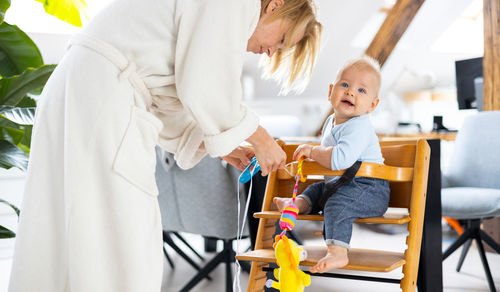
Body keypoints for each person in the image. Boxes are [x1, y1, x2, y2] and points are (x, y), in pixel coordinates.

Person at [8, 0, 321, 291]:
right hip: (102, 97)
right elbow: (204, 84)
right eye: (281, 41)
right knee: (120, 238)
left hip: (80, 87)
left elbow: (176, 88)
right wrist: (260, 137)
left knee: (64, 231)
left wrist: (220, 144)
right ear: (276, 5)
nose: (272, 52)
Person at [274, 56, 390, 273]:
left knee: (337, 204)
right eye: (344, 84)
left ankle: (338, 252)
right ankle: (296, 205)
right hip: (341, 184)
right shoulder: (330, 122)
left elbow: (339, 159)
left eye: (361, 90)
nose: (351, 92)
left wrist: (313, 151)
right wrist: (312, 158)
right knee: (317, 190)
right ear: (330, 92)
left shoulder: (359, 126)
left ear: (372, 105)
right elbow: (329, 161)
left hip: (369, 189)